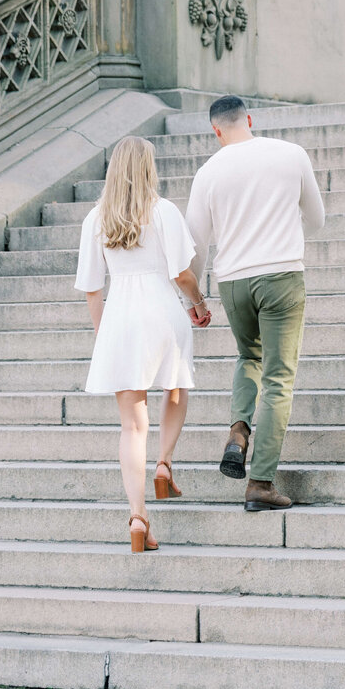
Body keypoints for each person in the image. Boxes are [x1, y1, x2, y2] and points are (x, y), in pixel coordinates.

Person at [185, 95, 325, 512]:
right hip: (281, 274)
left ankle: (238, 432)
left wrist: (192, 298)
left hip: (232, 283)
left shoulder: (207, 172)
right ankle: (261, 483)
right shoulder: (290, 154)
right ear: (249, 119)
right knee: (279, 378)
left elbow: (195, 245)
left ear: (216, 131)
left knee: (250, 357)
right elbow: (316, 220)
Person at [75, 135, 211, 552]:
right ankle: (165, 462)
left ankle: (138, 516)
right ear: (147, 169)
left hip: (120, 317)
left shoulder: (96, 219)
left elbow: (93, 291)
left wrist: (105, 337)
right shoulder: (164, 211)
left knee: (132, 425)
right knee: (176, 387)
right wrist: (199, 303)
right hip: (163, 312)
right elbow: (182, 274)